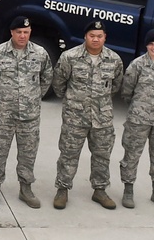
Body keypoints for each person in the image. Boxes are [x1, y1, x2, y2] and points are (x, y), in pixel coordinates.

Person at [0, 16, 53, 209]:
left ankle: (26, 188)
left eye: (26, 32)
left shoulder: (40, 53)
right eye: (19, 32)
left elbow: (46, 78)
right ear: (12, 32)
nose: (22, 36)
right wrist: (2, 96)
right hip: (4, 114)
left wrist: (33, 97)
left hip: (29, 116)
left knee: (28, 153)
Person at [52, 19, 124, 210]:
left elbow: (115, 86)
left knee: (102, 155)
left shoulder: (114, 60)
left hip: (102, 118)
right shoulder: (70, 57)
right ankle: (62, 189)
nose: (95, 39)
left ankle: (100, 190)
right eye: (92, 36)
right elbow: (59, 84)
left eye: (99, 36)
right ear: (85, 36)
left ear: (105, 37)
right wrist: (74, 101)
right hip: (75, 117)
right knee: (68, 154)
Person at [119, 28, 154, 208]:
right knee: (132, 155)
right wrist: (140, 107)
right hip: (139, 119)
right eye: (151, 44)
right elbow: (127, 91)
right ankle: (128, 191)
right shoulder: (137, 65)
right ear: (146, 45)